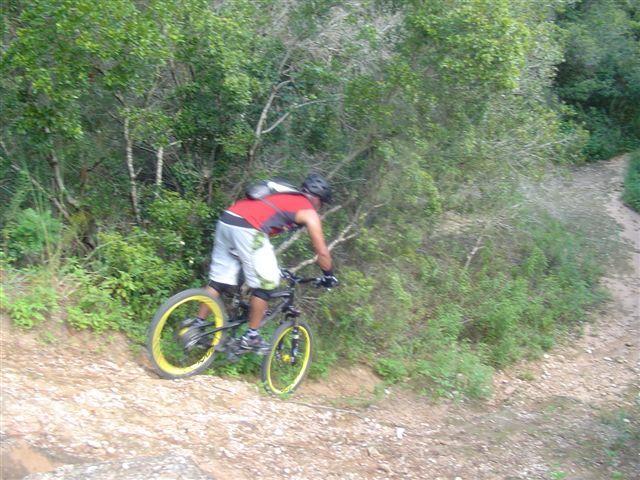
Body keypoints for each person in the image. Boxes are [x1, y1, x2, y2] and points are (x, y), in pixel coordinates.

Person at [186, 173, 338, 353]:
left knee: (219, 281)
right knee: (266, 284)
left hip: (227, 219)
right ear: (317, 200)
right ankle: (251, 336)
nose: (320, 208)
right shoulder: (308, 211)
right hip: (248, 228)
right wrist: (328, 275)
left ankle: (196, 325)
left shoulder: (284, 196)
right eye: (321, 204)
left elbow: (264, 231)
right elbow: (321, 251)